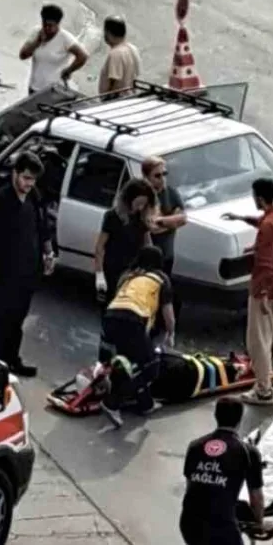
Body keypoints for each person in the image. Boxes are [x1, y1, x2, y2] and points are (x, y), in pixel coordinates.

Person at [223, 178, 273, 405]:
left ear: (259, 198)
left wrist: (263, 295)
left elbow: (268, 266)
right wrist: (242, 219)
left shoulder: (268, 226)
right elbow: (266, 225)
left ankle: (263, 390)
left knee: (259, 341)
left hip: (265, 293)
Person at [0, 152, 55, 377]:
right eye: (25, 178)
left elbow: (42, 226)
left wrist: (48, 253)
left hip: (28, 270)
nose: (28, 184)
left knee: (18, 319)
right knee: (4, 320)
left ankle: (13, 360)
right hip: (4, 271)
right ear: (15, 173)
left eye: (32, 180)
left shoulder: (34, 196)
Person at [180, 396, 266, 545]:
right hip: (221, 527)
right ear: (240, 419)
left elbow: (191, 485)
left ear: (215, 416)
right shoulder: (248, 452)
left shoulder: (195, 446)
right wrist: (259, 522)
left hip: (189, 525)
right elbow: (256, 496)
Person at [97, 245, 175, 428]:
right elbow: (168, 314)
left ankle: (146, 404)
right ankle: (112, 403)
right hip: (133, 320)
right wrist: (171, 333)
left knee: (126, 363)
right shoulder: (160, 279)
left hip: (110, 317)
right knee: (150, 366)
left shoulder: (127, 276)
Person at [143, 155, 187, 331]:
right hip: (150, 256)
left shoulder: (171, 193)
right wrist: (170, 222)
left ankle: (163, 327)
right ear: (147, 177)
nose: (162, 178)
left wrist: (162, 220)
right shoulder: (144, 196)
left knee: (166, 291)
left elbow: (183, 218)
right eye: (157, 175)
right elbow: (150, 225)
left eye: (164, 174)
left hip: (167, 254)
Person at [93, 178, 156, 305]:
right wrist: (99, 273)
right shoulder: (112, 217)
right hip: (112, 271)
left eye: (144, 204)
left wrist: (147, 268)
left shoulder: (141, 219)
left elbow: (148, 246)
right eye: (138, 203)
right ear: (128, 199)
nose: (140, 207)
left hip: (133, 272)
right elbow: (100, 247)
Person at [19, 4, 89, 95]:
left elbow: (83, 56)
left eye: (50, 26)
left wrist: (69, 70)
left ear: (58, 24)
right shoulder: (36, 32)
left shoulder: (65, 38)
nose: (47, 28)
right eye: (44, 25)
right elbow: (23, 55)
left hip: (54, 90)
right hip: (34, 87)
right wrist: (37, 42)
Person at [98, 15, 141, 96]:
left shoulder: (115, 54)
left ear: (108, 33)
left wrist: (107, 98)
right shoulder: (132, 48)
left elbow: (114, 80)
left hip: (117, 101)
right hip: (130, 96)